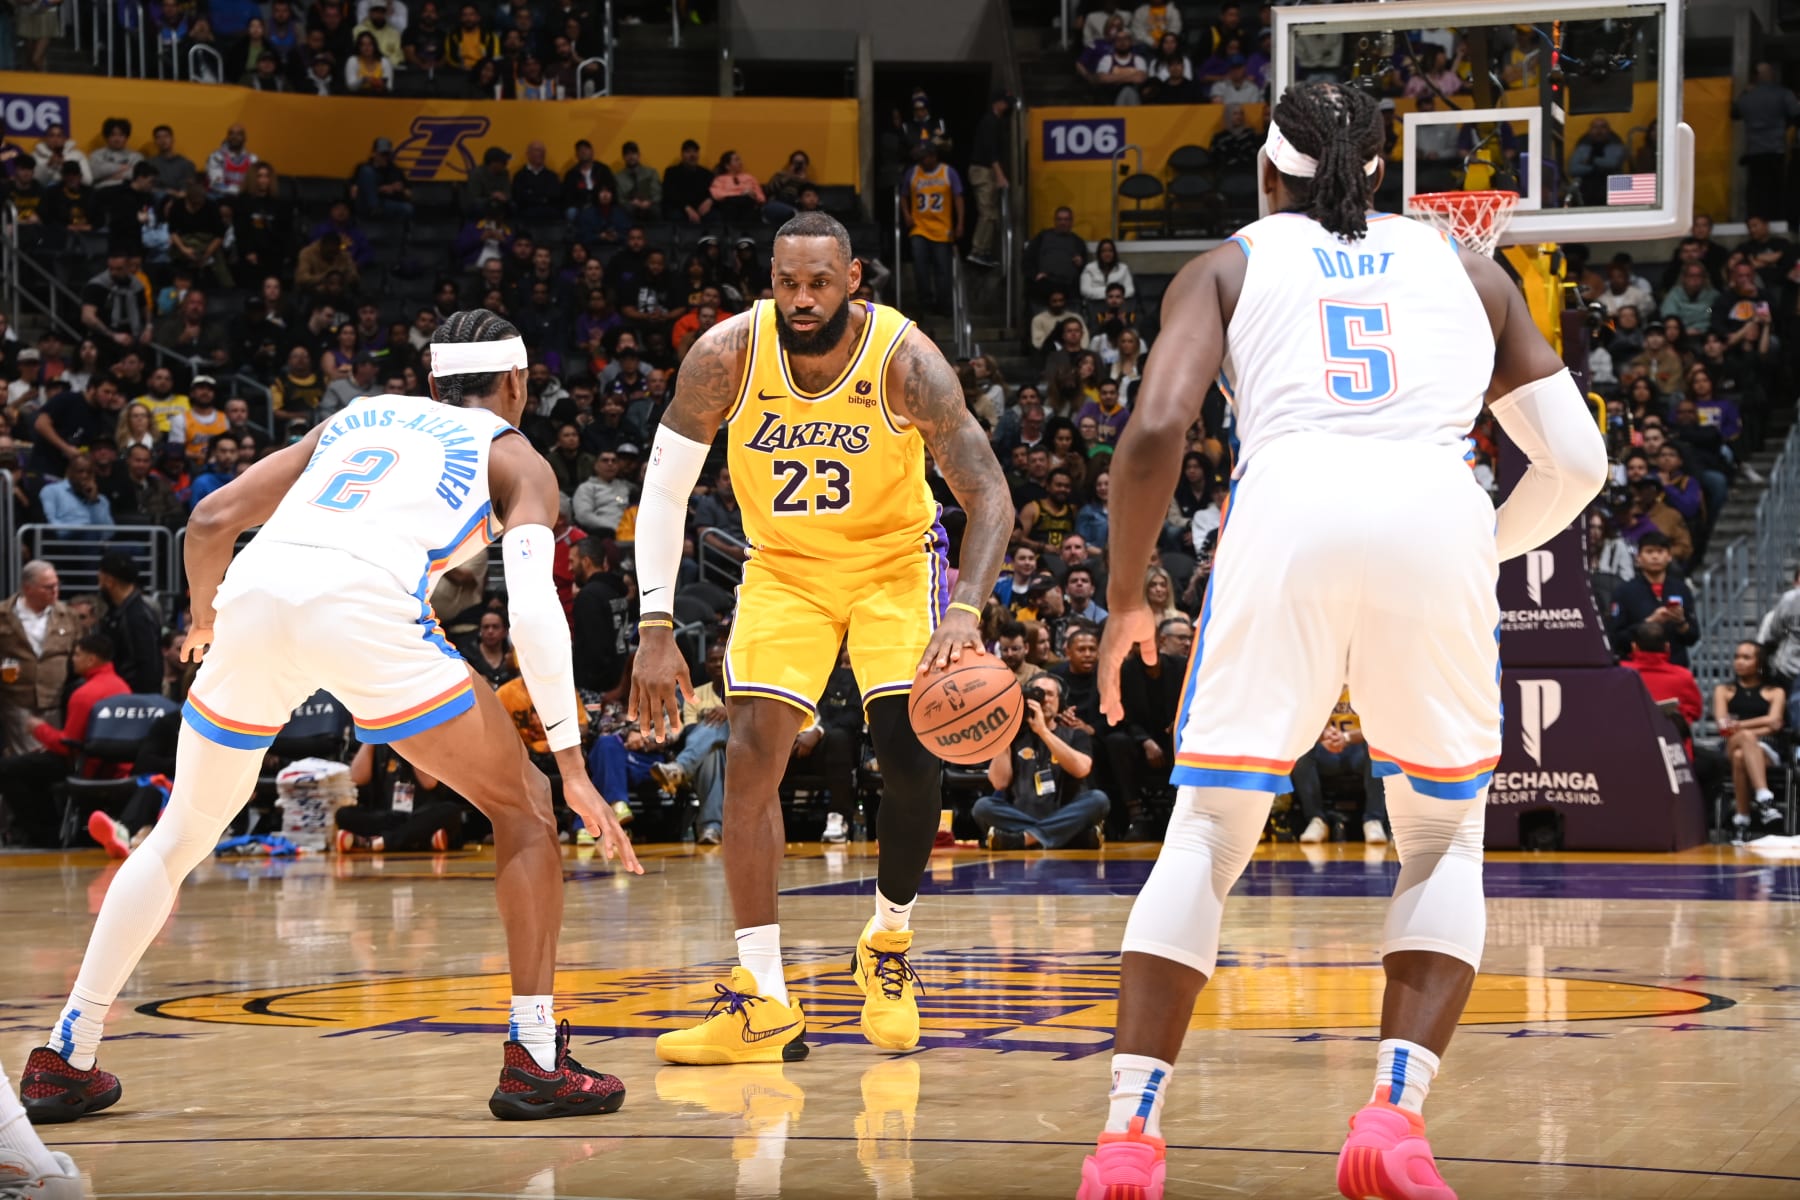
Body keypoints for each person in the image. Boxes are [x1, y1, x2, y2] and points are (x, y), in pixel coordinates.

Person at [1079, 82, 1608, 1199]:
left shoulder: (1227, 263)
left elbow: (1159, 428)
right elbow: (1577, 464)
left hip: (1290, 512)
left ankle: (1129, 1133)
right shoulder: (1469, 268)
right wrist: (1486, 545)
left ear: (1268, 175)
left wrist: (1128, 598)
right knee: (1442, 840)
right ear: (1382, 175)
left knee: (1208, 839)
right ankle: (1393, 1120)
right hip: (1435, 507)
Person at [17, 311, 640, 1128]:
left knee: (178, 835)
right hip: (366, 611)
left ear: (431, 381)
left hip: (255, 591)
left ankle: (68, 1055)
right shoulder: (517, 456)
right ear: (518, 383)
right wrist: (568, 764)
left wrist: (204, 621)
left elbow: (208, 523)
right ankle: (537, 1058)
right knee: (522, 809)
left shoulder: (359, 414)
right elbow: (530, 610)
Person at [630, 212, 1012, 1064]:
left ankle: (887, 939)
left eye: (819, 283)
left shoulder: (907, 362)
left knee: (911, 758)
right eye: (787, 283)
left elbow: (988, 493)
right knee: (753, 754)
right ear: (771, 281)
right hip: (784, 571)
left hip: (891, 568)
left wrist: (964, 613)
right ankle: (763, 997)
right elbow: (662, 496)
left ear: (853, 280)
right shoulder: (725, 355)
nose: (802, 300)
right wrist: (656, 621)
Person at [975, 672, 1109, 849]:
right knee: (983, 807)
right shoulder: (1013, 736)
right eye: (1038, 693)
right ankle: (1067, 836)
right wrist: (1005, 733)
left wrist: (1043, 732)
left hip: (1065, 811)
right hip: (1022, 813)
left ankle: (1025, 839)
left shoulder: (1076, 734)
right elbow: (999, 783)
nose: (1044, 699)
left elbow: (1081, 769)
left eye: (1050, 694)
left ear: (1060, 701)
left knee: (1098, 800)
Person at [1291, 688, 1389, 844]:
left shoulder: (1364, 687)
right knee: (1300, 752)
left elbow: (1379, 726)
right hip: (1325, 750)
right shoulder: (1319, 687)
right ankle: (1316, 820)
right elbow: (1301, 723)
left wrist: (1347, 737)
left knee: (1377, 748)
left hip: (1359, 751)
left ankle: (1373, 820)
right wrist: (1322, 734)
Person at [0, 561, 78, 756]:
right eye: (48, 587)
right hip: (16, 702)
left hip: (55, 702)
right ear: (28, 588)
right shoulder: (3, 615)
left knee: (53, 757)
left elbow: (80, 654)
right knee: (24, 760)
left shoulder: (68, 616)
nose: (55, 590)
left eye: (57, 585)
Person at [1713, 639, 1787, 837]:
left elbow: (1776, 721)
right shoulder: (1724, 691)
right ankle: (1764, 797)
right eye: (1737, 657)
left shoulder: (1775, 692)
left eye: (1746, 657)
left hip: (1767, 750)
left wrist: (1738, 725)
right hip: (1730, 743)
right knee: (1742, 741)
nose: (1739, 662)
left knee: (1740, 756)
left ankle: (1742, 818)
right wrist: (1762, 725)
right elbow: (1723, 727)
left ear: (1759, 663)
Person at [1606, 530, 1698, 668]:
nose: (1655, 556)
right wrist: (1650, 622)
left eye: (1660, 551)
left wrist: (1681, 622)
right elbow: (1615, 639)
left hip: (1675, 666)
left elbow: (1693, 636)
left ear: (1669, 556)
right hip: (1637, 669)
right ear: (1638, 558)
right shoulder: (1624, 591)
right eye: (1649, 552)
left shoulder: (1681, 589)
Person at [901, 144, 964, 316]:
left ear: (935, 156)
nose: (924, 160)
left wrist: (960, 223)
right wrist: (906, 214)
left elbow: (958, 198)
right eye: (922, 157)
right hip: (919, 228)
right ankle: (925, 304)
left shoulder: (947, 172)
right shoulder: (913, 173)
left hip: (942, 229)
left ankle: (944, 305)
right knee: (920, 268)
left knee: (943, 270)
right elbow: (904, 195)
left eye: (927, 156)